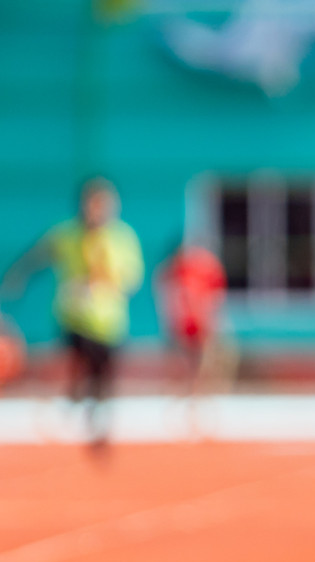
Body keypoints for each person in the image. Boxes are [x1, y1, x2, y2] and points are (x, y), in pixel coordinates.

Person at [1, 179, 144, 451]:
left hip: (109, 321)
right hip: (74, 317)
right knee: (80, 359)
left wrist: (106, 280)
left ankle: (97, 423)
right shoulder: (66, 234)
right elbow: (39, 255)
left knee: (103, 375)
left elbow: (132, 277)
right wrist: (17, 277)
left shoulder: (122, 238)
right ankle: (76, 397)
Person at [156, 243, 228, 398]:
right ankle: (182, 394)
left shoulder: (204, 269)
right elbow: (168, 294)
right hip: (184, 325)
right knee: (183, 363)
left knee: (206, 362)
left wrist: (211, 319)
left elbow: (214, 297)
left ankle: (201, 394)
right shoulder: (176, 272)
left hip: (201, 324)